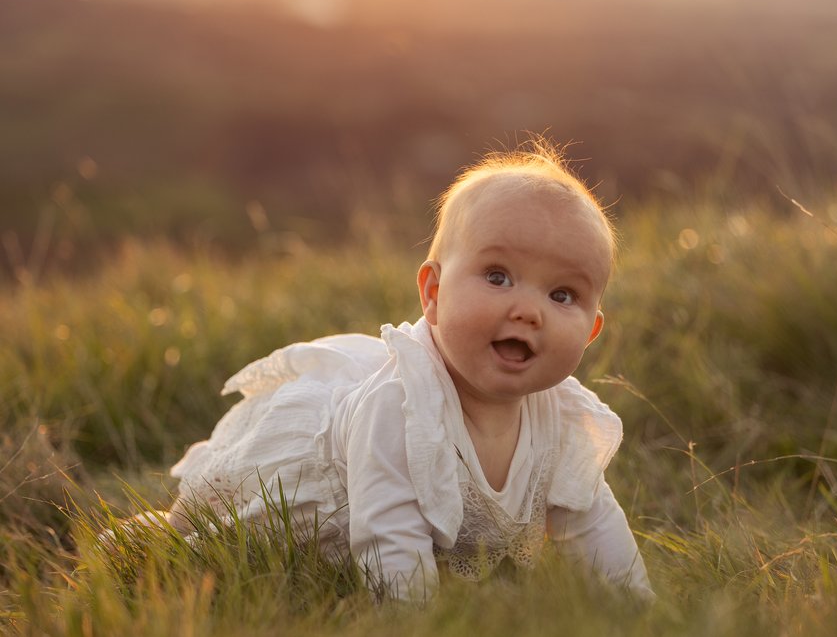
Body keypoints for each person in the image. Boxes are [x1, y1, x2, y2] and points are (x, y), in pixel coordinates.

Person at [141, 138, 652, 602]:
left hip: (400, 533)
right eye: (498, 277)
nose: (528, 310)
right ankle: (141, 536)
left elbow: (590, 521)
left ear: (590, 331)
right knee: (198, 535)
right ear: (433, 293)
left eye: (562, 294)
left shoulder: (561, 419)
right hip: (308, 511)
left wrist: (640, 610)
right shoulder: (399, 407)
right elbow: (390, 537)